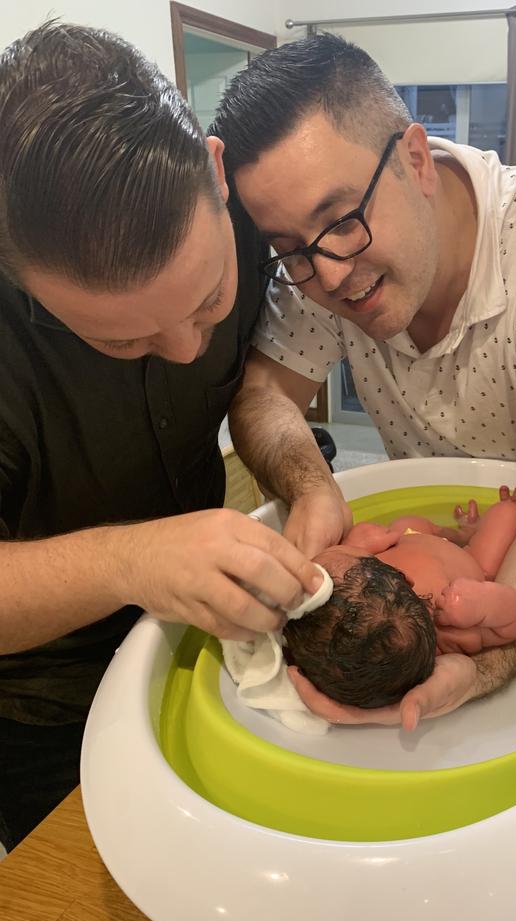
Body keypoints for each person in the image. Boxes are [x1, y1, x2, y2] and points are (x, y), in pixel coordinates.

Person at [212, 32, 516, 727]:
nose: (326, 276)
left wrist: (482, 661)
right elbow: (263, 396)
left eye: (344, 219)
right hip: (439, 591)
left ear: (417, 157)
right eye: (290, 249)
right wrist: (310, 485)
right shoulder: (319, 271)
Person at [0, 22, 321, 852]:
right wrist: (128, 562)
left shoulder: (254, 220)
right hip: (44, 706)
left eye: (210, 299)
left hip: (204, 641)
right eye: (121, 342)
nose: (186, 351)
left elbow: (262, 387)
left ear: (214, 175)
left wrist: (307, 479)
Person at [284, 487, 516, 712]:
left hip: (411, 536)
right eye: (348, 550)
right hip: (472, 562)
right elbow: (511, 625)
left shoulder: (352, 586)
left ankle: (452, 532)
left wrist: (356, 543)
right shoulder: (449, 631)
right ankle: (470, 533)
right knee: (506, 515)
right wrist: (483, 603)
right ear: (404, 577)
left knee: (404, 524)